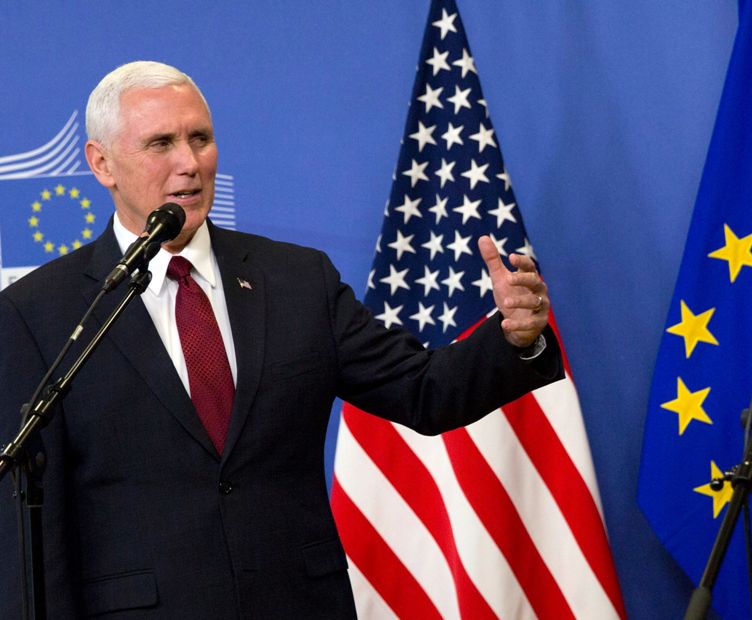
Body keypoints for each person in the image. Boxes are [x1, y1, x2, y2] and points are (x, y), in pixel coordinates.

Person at [0, 61, 562, 618]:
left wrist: (516, 338)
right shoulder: (42, 312)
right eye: (161, 143)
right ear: (102, 163)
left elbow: (424, 390)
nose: (189, 164)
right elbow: (33, 529)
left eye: (201, 138)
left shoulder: (295, 281)